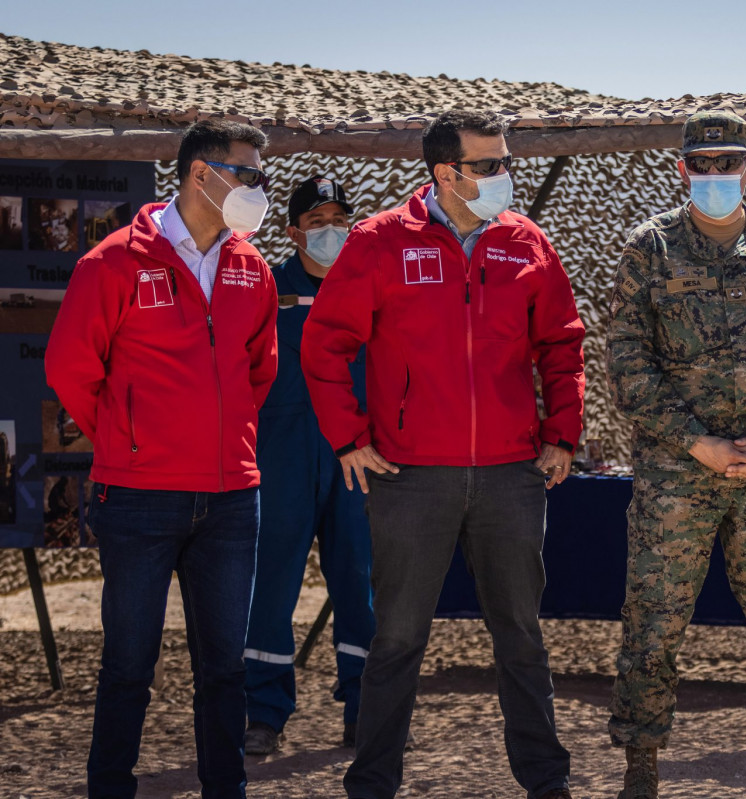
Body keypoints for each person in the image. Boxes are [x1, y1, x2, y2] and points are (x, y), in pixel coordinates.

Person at [301, 110, 585, 799]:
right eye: (489, 165)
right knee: (396, 640)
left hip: (510, 478)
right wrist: (349, 437)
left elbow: (562, 344)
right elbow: (324, 343)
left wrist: (563, 431)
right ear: (445, 173)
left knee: (520, 635)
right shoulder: (377, 243)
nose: (503, 175)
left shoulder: (527, 243)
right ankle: (371, 783)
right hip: (409, 477)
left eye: (505, 161)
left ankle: (547, 782)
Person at [606, 110, 746, 799]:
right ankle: (641, 770)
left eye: (727, 161)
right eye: (701, 164)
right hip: (678, 474)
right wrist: (694, 441)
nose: (714, 175)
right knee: (654, 620)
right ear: (682, 169)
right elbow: (627, 363)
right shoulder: (648, 248)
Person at [45, 119, 278, 799]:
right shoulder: (112, 261)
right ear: (201, 174)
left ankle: (224, 789)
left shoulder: (251, 267)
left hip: (232, 499)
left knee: (224, 670)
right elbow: (69, 370)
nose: (259, 189)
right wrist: (129, 439)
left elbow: (258, 372)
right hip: (139, 496)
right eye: (250, 174)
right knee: (127, 665)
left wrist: (223, 441)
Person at [242, 176, 376, 755]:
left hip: (358, 457)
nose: (331, 230)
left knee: (360, 584)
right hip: (284, 455)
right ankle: (265, 713)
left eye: (339, 219)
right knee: (271, 585)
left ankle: (364, 706)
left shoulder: (373, 286)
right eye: (317, 221)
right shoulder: (266, 288)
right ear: (292, 230)